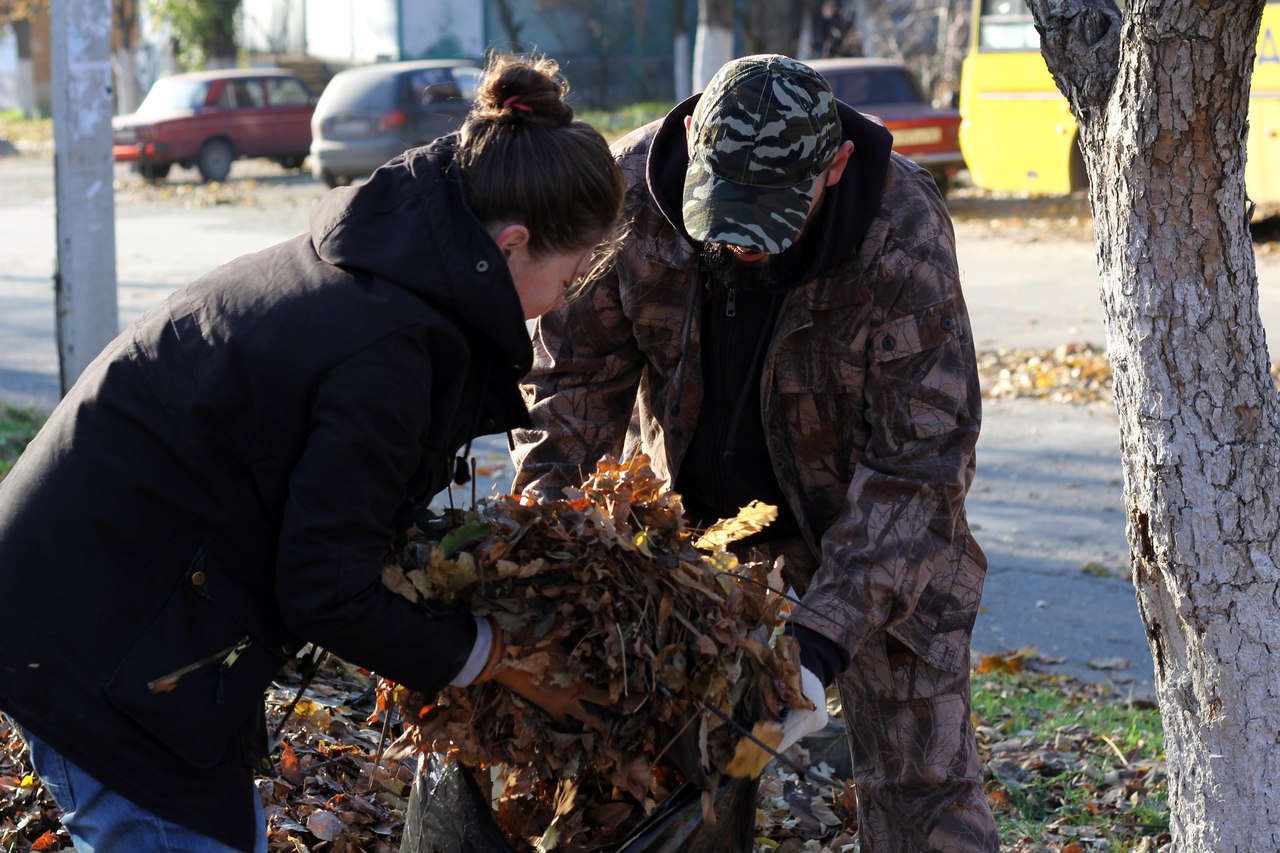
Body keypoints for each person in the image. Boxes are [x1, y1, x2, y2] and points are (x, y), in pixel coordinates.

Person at [0, 53, 624, 853]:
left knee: (222, 831)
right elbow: (324, 588)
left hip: (129, 597)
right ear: (511, 245)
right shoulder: (391, 350)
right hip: (92, 626)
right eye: (571, 277)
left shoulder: (387, 266)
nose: (566, 302)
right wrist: (494, 656)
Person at [511, 54, 1000, 850]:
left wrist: (819, 642)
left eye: (768, 214)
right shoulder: (624, 195)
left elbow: (922, 465)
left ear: (834, 166)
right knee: (645, 773)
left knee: (925, 788)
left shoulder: (901, 230)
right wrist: (556, 545)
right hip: (680, 541)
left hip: (869, 543)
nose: (738, 242)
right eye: (723, 206)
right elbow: (567, 386)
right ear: (697, 134)